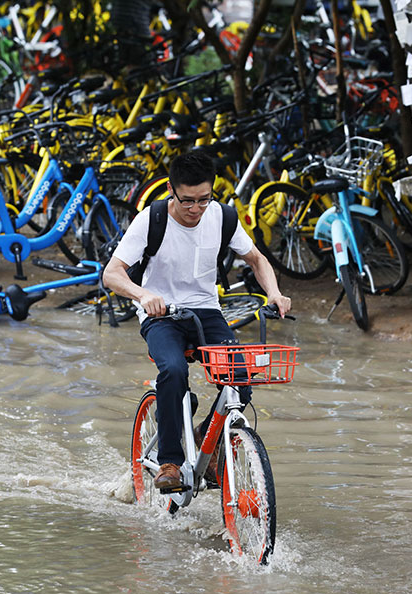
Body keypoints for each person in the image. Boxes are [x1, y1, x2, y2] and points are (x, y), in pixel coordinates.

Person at [103, 150, 291, 491]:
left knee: (240, 381)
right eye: (187, 201)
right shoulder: (152, 219)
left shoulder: (223, 217)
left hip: (206, 311)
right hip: (161, 314)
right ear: (172, 192)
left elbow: (257, 259)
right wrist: (143, 295)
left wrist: (275, 292)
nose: (195, 209)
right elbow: (112, 274)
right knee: (173, 371)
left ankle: (206, 439)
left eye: (204, 200)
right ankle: (170, 462)